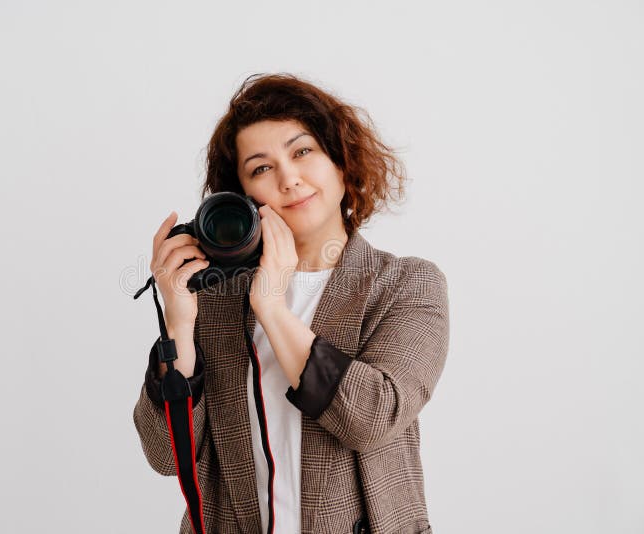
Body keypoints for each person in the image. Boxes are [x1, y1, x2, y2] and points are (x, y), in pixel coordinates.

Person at [133, 73, 450, 534]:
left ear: (341, 162)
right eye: (261, 168)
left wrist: (274, 311)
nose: (289, 178)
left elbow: (372, 417)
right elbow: (166, 455)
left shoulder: (405, 284)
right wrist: (179, 323)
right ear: (242, 198)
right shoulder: (214, 303)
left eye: (303, 152)